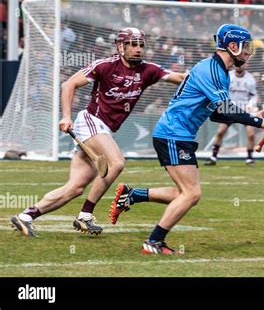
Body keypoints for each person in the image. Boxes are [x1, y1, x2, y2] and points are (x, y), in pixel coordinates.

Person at [109, 24, 264, 255]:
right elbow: (225, 109)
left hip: (179, 135)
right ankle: (153, 243)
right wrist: (262, 123)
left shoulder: (220, 72)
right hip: (173, 134)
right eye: (245, 47)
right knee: (191, 194)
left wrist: (252, 117)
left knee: (186, 192)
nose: (247, 53)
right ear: (232, 46)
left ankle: (133, 195)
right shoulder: (211, 70)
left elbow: (217, 113)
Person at [11, 28, 185, 237]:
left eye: (140, 45)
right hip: (91, 122)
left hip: (105, 130)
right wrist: (66, 116)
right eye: (132, 44)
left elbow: (181, 77)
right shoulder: (105, 65)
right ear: (121, 47)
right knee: (117, 163)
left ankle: (25, 216)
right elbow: (69, 84)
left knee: (75, 188)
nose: (138, 49)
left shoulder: (149, 70)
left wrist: (212, 72)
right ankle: (85, 215)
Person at [204, 60, 259, 166]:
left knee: (251, 134)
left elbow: (254, 96)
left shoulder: (250, 79)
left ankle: (250, 158)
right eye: (238, 64)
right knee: (220, 131)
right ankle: (213, 157)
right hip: (230, 108)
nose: (240, 66)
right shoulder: (228, 76)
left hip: (245, 109)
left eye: (242, 63)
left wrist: (251, 105)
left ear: (246, 65)